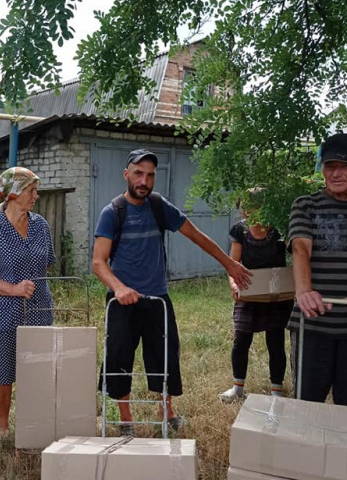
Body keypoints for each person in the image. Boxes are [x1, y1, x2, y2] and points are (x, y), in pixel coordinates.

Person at [92, 148, 251, 435]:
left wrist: (229, 264)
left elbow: (196, 235)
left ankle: (166, 411)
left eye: (150, 175)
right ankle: (125, 418)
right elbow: (98, 262)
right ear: (126, 174)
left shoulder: (158, 206)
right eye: (138, 173)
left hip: (157, 300)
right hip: (122, 300)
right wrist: (119, 288)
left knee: (165, 357)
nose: (144, 180)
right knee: (118, 357)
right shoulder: (113, 211)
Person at [0, 167, 55, 437]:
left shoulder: (41, 225)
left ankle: (34, 422)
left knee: (39, 367)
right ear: (14, 193)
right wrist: (12, 288)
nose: (36, 196)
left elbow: (49, 264)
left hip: (39, 309)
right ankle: (4, 424)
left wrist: (33, 286)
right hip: (4, 311)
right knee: (3, 368)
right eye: (32, 190)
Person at [289, 132, 347, 405]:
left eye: (344, 166)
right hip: (312, 326)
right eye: (329, 166)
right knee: (305, 406)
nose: (336, 174)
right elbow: (300, 248)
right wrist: (304, 291)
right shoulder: (305, 205)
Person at [220, 188, 293, 402]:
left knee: (276, 342)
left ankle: (276, 392)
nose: (249, 211)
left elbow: (297, 251)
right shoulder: (239, 231)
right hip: (249, 293)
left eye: (256, 205)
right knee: (241, 340)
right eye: (246, 206)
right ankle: (238, 389)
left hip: (276, 296)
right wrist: (234, 286)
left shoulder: (279, 230)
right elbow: (233, 265)